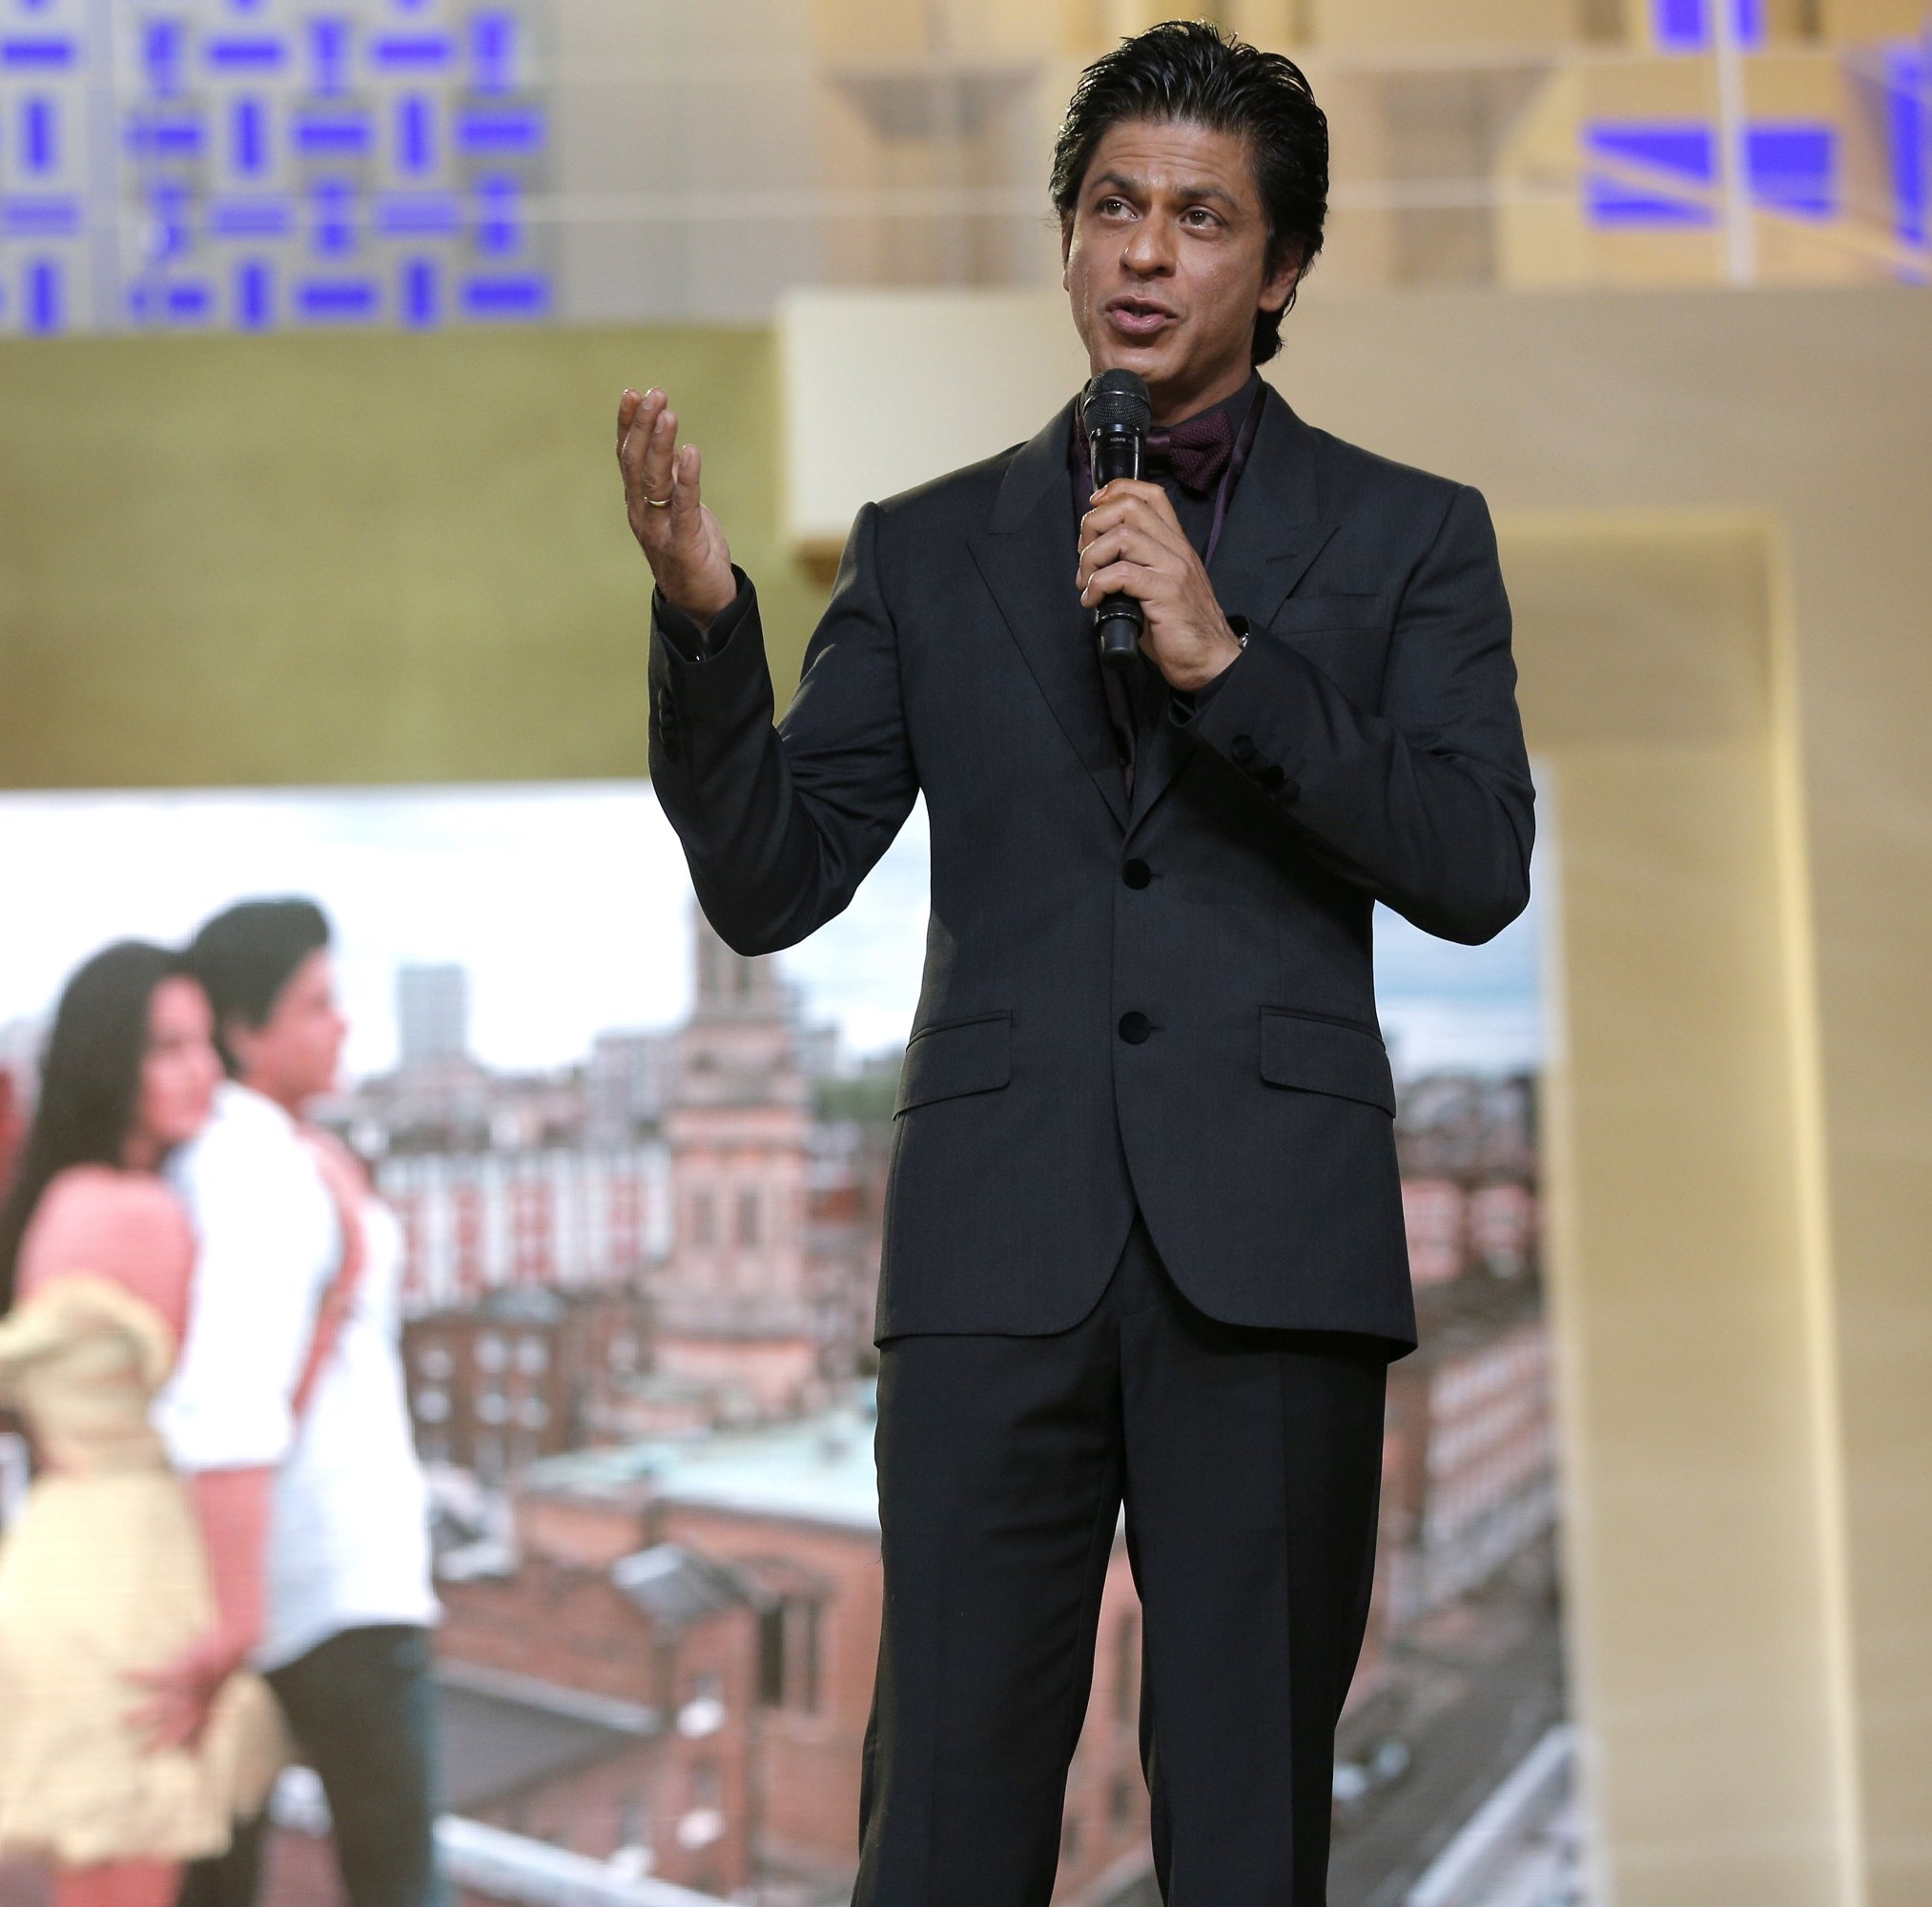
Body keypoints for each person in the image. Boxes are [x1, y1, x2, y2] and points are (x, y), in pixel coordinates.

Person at [617, 22, 1533, 1905]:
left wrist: (1230, 665)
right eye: (1112, 205)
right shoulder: (932, 549)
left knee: (1244, 1829)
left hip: (1272, 1261)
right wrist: (708, 623)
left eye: (1200, 217)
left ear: (1278, 272)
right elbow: (777, 879)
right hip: (990, 1256)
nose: (1143, 248)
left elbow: (1476, 863)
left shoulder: (1408, 540)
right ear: (1062, 245)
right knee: (945, 1818)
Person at [0, 941, 287, 1907]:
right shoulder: (140, 1211)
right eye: (166, 1047)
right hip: (129, 1590)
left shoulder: (55, 1197)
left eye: (205, 1042)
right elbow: (235, 1397)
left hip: (62, 1560)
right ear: (108, 1062)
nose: (205, 1071)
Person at [159, 899, 446, 1907]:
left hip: (277, 1578)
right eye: (318, 1002)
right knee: (396, 1880)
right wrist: (238, 1614)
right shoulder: (253, 1168)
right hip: (324, 1586)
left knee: (218, 1872)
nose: (344, 1023)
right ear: (245, 1029)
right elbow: (230, 1392)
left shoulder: (257, 1151)